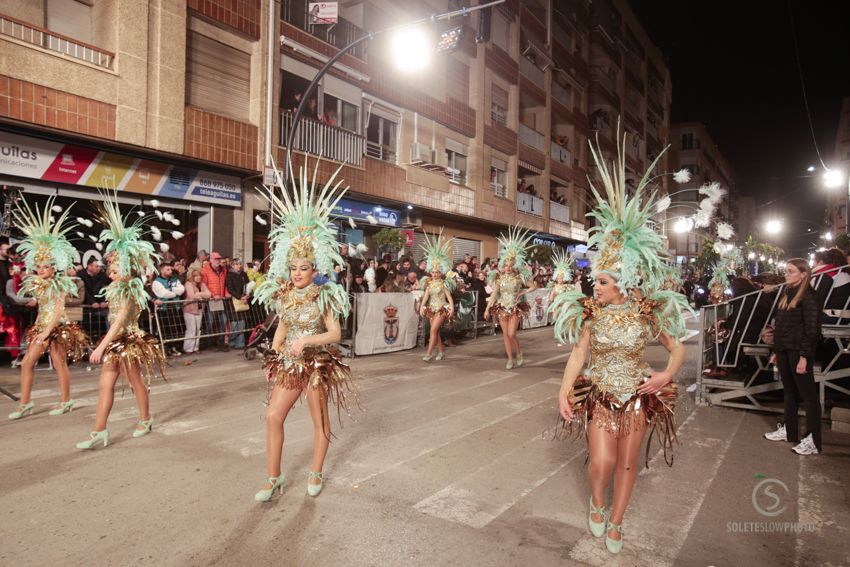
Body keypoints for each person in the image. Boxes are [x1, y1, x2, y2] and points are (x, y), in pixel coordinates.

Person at [551, 134, 691, 555]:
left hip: (636, 397)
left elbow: (677, 347)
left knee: (628, 464)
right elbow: (579, 354)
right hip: (600, 396)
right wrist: (563, 390)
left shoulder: (648, 310)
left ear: (623, 282)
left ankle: (617, 521)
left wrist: (666, 374)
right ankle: (597, 503)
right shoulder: (591, 314)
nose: (596, 286)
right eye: (597, 280)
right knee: (602, 463)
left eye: (603, 281)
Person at [251, 160, 354, 503]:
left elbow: (335, 334)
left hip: (317, 366)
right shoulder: (285, 296)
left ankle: (316, 470)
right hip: (292, 366)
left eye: (303, 267)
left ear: (315, 268)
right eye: (293, 267)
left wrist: (306, 340)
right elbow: (280, 334)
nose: (297, 273)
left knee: (318, 419)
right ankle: (273, 477)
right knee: (272, 416)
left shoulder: (324, 295)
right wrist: (280, 352)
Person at [76, 192, 166, 449]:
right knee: (105, 385)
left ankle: (145, 418)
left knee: (136, 381)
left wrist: (101, 346)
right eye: (110, 266)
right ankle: (99, 430)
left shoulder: (132, 291)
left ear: (129, 268)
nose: (111, 270)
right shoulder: (114, 288)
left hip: (127, 341)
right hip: (114, 343)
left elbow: (118, 323)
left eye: (117, 267)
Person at [8, 196, 90, 420]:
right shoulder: (38, 282)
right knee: (27, 363)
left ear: (54, 268)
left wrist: (46, 331)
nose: (41, 269)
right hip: (41, 326)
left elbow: (57, 309)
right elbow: (39, 302)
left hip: (56, 326)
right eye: (39, 265)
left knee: (60, 364)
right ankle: (25, 403)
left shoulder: (60, 284)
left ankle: (66, 401)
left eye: (46, 266)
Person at [763, 258, 822, 455]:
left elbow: (812, 330)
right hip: (784, 349)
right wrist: (776, 351)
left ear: (803, 274)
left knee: (808, 397)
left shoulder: (809, 297)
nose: (786, 274)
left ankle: (813, 440)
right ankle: (790, 432)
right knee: (789, 393)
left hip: (798, 351)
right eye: (786, 271)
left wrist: (804, 356)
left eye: (790, 271)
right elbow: (781, 325)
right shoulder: (787, 293)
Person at [484, 226, 536, 369]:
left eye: (510, 265)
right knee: (505, 334)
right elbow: (494, 294)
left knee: (512, 333)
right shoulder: (499, 278)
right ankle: (509, 359)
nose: (507, 267)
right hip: (502, 307)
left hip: (514, 307)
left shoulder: (519, 278)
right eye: (505, 265)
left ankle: (519, 353)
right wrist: (487, 309)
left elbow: (533, 286)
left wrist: (522, 293)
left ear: (514, 265)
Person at [418, 232, 456, 362]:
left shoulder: (444, 283)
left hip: (441, 309)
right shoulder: (428, 283)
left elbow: (449, 298)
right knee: (436, 332)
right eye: (433, 272)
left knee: (433, 330)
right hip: (431, 309)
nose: (434, 274)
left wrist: (451, 308)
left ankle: (429, 353)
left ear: (440, 273)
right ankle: (440, 352)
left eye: (437, 272)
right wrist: (422, 307)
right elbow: (425, 297)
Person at [152, 261, 186, 356]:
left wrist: (171, 291)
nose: (170, 271)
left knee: (176, 328)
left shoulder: (174, 279)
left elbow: (181, 290)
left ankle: (175, 347)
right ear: (162, 270)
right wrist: (174, 291)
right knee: (166, 329)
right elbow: (164, 294)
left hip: (175, 307)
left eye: (171, 269)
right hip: (164, 309)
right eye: (168, 269)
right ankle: (167, 349)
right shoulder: (157, 282)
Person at [201, 251, 229, 351]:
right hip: (211, 300)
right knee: (210, 321)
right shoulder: (205, 270)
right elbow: (203, 285)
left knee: (223, 321)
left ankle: (220, 342)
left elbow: (225, 283)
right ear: (210, 260)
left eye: (219, 259)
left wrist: (224, 294)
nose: (218, 261)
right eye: (215, 259)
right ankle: (209, 343)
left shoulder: (223, 270)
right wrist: (212, 295)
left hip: (221, 299)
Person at [182, 269, 211, 354]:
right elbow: (191, 296)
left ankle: (195, 348)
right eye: (196, 276)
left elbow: (209, 294)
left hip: (199, 309)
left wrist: (199, 294)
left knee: (198, 329)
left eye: (199, 276)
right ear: (192, 276)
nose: (198, 277)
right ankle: (188, 349)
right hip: (189, 309)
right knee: (191, 329)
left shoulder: (202, 284)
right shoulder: (188, 284)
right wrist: (202, 294)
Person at [225, 258, 250, 349]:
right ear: (232, 265)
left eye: (239, 264)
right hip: (234, 301)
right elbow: (230, 289)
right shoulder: (229, 275)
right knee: (234, 323)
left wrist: (247, 295)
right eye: (236, 264)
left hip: (243, 299)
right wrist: (240, 297)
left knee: (242, 322)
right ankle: (232, 342)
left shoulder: (244, 274)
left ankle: (240, 343)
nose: (239, 266)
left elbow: (248, 285)